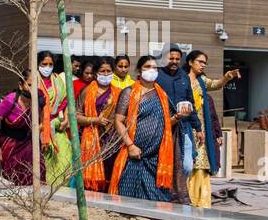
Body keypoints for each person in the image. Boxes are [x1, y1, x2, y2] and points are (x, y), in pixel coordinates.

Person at [109, 55, 187, 202]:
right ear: (139, 70)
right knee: (127, 195)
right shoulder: (129, 92)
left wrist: (177, 117)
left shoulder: (162, 94)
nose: (151, 70)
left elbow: (165, 125)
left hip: (157, 156)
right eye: (147, 67)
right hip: (134, 154)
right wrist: (130, 145)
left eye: (155, 68)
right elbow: (118, 121)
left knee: (157, 197)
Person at [184, 50, 236, 207]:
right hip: (185, 127)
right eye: (200, 61)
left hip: (201, 130)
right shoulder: (180, 80)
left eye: (205, 62)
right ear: (190, 62)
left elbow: (216, 84)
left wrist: (226, 77)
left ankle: (201, 201)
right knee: (187, 163)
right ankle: (188, 199)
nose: (203, 65)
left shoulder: (202, 81)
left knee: (201, 164)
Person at [156, 45, 202, 205]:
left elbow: (191, 104)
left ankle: (179, 193)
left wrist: (198, 128)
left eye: (177, 59)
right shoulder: (157, 76)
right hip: (162, 128)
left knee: (187, 166)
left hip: (183, 129)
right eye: (171, 58)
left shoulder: (184, 77)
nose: (174, 61)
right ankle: (168, 197)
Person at [77, 56, 121, 193]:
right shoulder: (86, 91)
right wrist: (95, 120)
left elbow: (123, 117)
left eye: (109, 71)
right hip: (90, 140)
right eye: (102, 71)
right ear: (96, 72)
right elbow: (77, 116)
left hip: (112, 140)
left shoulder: (119, 93)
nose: (106, 74)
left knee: (109, 172)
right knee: (90, 173)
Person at [36, 50, 74, 188]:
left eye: (50, 64)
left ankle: (59, 189)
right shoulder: (32, 80)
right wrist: (40, 125)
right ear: (38, 64)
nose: (47, 67)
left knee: (63, 158)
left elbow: (66, 101)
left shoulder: (58, 79)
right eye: (44, 64)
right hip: (39, 126)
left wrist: (65, 120)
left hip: (57, 126)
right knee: (43, 161)